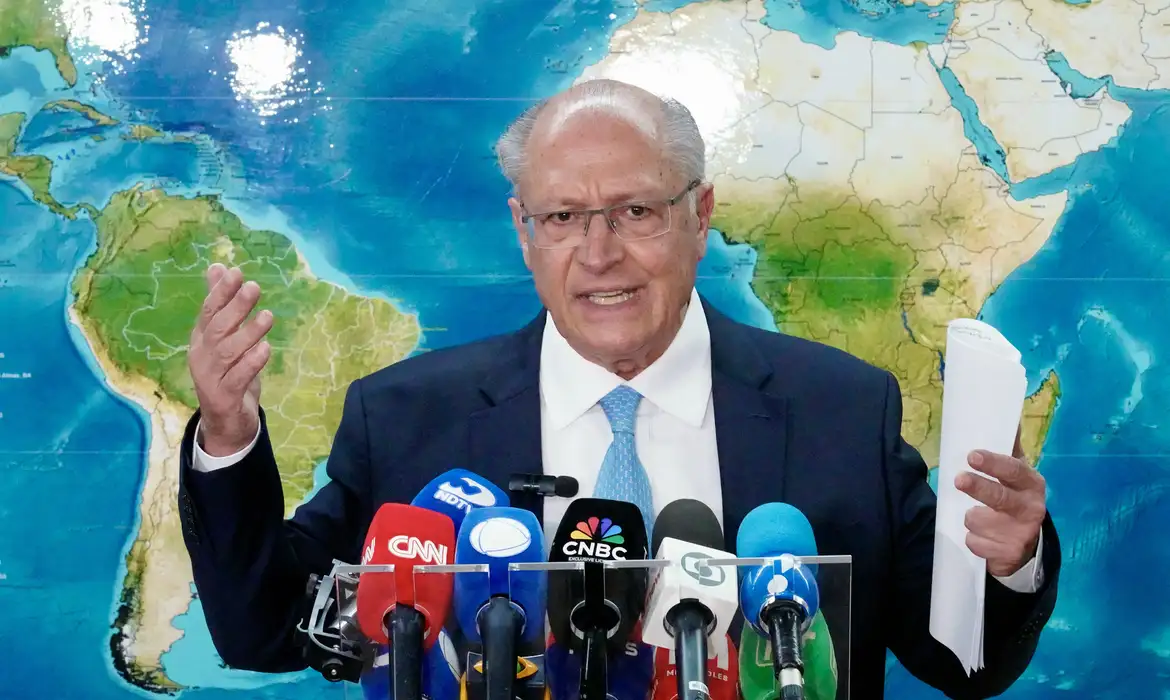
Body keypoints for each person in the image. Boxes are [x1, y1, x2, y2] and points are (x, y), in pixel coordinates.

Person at [178, 78, 1060, 698]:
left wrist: (1009, 559)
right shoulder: (407, 419)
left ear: (699, 216)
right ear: (524, 231)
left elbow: (963, 666)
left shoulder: (842, 409)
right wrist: (226, 438)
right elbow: (265, 631)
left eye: (635, 211)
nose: (599, 254)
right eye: (563, 217)